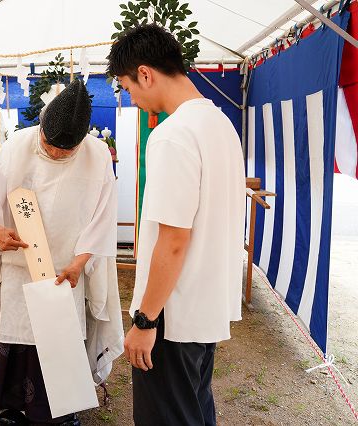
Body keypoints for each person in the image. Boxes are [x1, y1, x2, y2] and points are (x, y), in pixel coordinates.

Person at [107, 25, 246, 425]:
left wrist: (145, 319)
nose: (132, 99)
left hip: (172, 312)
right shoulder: (221, 126)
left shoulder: (173, 135)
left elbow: (172, 240)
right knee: (195, 410)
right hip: (204, 305)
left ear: (145, 73)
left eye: (129, 88)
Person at [0, 80, 124, 425]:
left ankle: (63, 413)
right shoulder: (18, 146)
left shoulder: (97, 155)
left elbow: (103, 218)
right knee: (19, 338)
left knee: (60, 340)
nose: (55, 154)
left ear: (82, 141)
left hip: (66, 270)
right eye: (49, 146)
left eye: (65, 151)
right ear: (41, 126)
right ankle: (13, 410)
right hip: (19, 266)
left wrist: (80, 262)